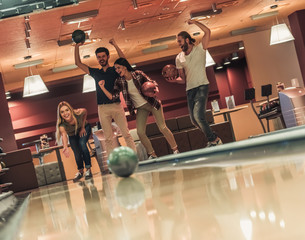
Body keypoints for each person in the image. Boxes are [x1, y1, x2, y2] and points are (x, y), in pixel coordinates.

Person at [98, 57, 179, 159]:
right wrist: (102, 88)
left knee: (162, 127)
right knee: (140, 132)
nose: (117, 70)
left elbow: (152, 82)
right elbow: (113, 97)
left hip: (152, 103)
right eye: (116, 69)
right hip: (141, 108)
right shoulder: (119, 81)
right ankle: (152, 154)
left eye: (118, 68)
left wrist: (156, 89)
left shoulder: (138, 74)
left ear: (124, 67)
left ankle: (175, 149)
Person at [74, 39, 136, 157]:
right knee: (108, 138)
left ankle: (135, 158)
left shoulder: (114, 70)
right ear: (97, 58)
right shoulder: (95, 72)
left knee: (126, 134)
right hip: (102, 108)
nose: (101, 58)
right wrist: (77, 46)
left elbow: (124, 61)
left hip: (116, 106)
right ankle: (112, 163)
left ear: (107, 56)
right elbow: (78, 63)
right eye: (99, 57)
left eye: (103, 56)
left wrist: (115, 44)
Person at [167, 19, 222, 147]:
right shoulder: (179, 58)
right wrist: (175, 80)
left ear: (187, 40)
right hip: (190, 89)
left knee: (198, 116)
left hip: (202, 85)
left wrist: (195, 22)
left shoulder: (200, 49)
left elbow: (207, 31)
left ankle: (213, 141)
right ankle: (214, 138)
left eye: (180, 41)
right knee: (194, 120)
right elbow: (183, 79)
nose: (179, 44)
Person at [56, 101, 92, 182]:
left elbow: (85, 111)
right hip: (73, 134)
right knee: (76, 152)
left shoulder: (78, 112)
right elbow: (64, 135)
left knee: (82, 144)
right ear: (60, 115)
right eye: (62, 112)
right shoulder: (62, 125)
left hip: (84, 128)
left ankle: (88, 169)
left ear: (70, 110)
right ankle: (80, 171)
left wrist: (82, 127)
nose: (65, 113)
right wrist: (65, 147)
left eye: (67, 110)